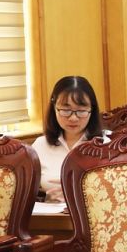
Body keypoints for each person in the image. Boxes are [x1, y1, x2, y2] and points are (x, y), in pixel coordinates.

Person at [30, 75, 106, 203]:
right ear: (54, 108)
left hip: (97, 213)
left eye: (81, 111)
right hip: (51, 214)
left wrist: (80, 190)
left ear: (91, 110)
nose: (73, 118)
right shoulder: (40, 145)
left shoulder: (108, 143)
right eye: (65, 110)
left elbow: (121, 188)